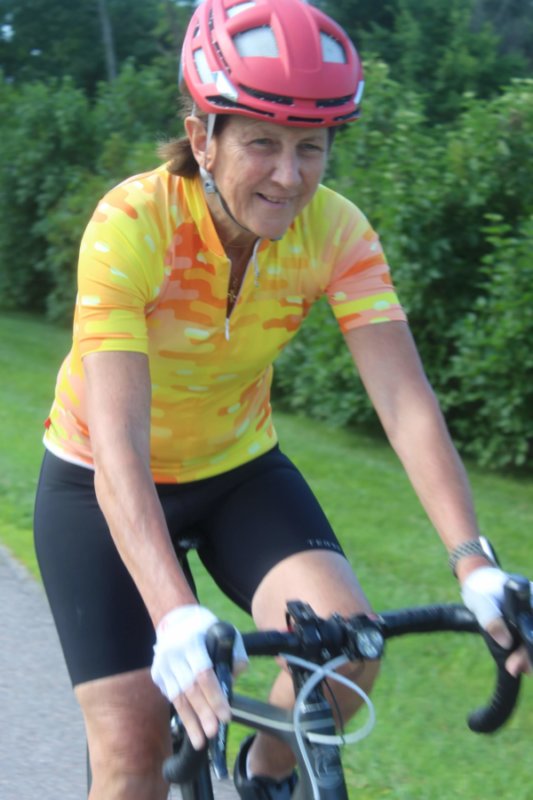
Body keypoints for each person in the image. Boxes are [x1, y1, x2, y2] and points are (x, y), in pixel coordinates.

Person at [34, 1, 531, 798]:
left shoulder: (337, 232)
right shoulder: (131, 224)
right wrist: (173, 615)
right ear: (203, 137)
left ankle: (264, 776)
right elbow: (117, 448)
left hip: (238, 470)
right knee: (132, 754)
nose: (288, 175)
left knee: (349, 647)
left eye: (311, 148)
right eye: (261, 142)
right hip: (102, 481)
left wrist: (474, 563)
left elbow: (405, 405)